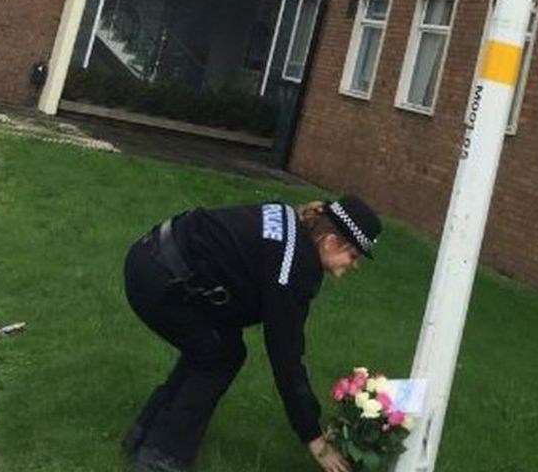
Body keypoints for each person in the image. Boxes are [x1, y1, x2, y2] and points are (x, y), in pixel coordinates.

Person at [121, 195, 382, 472]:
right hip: (160, 282)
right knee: (217, 358)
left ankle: (144, 433)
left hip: (152, 258)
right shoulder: (294, 268)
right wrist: (315, 439)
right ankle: (160, 458)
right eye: (352, 255)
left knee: (219, 348)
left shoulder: (293, 221)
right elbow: (286, 358)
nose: (354, 265)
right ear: (330, 242)